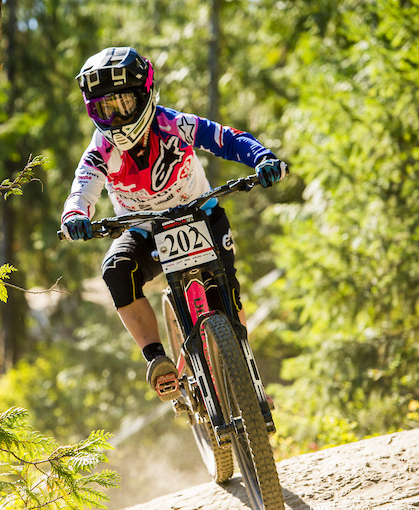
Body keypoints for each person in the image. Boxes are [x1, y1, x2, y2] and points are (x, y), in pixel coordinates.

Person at [60, 47, 288, 402]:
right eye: (105, 109)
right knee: (115, 270)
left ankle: (245, 373)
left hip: (202, 216)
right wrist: (75, 216)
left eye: (123, 104)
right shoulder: (102, 148)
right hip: (144, 232)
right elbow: (82, 189)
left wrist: (262, 158)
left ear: (146, 95)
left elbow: (226, 139)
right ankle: (157, 359)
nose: (117, 117)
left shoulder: (173, 124)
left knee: (227, 294)